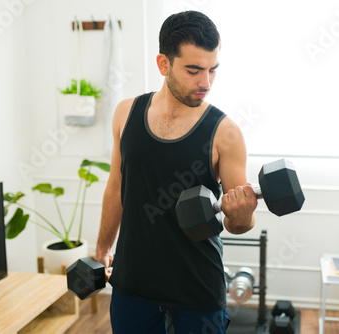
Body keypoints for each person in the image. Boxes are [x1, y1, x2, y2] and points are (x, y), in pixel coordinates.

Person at [95, 10, 257, 333]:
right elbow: (116, 188)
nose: (205, 83)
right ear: (163, 64)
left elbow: (239, 222)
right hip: (132, 285)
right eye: (194, 70)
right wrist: (102, 249)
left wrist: (242, 214)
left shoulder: (225, 133)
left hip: (197, 291)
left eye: (213, 70)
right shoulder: (126, 113)